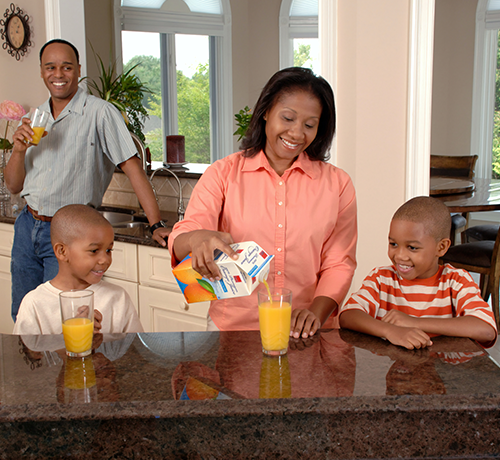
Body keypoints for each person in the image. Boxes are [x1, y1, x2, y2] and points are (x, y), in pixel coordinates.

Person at [168, 67, 357, 336]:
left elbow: (339, 262)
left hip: (305, 332)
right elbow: (184, 235)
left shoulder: (338, 185)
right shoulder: (223, 174)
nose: (296, 133)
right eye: (288, 118)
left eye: (309, 124)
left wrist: (314, 314)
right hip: (233, 330)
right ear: (266, 111)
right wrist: (197, 238)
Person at [5, 39, 169, 322]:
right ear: (42, 72)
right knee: (24, 315)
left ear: (78, 70)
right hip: (26, 226)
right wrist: (18, 150)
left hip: (69, 237)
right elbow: (14, 186)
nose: (58, 74)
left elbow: (133, 168)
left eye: (66, 67)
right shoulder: (35, 118)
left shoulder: (100, 113)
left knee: (63, 320)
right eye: (51, 67)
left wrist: (155, 224)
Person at [339, 196, 497, 350]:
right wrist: (391, 331)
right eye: (393, 244)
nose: (399, 255)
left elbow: (486, 330)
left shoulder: (456, 281)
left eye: (412, 247)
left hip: (445, 374)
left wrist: (414, 322)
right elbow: (348, 315)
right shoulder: (381, 278)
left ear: (441, 247)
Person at [13, 204, 143, 335]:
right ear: (62, 251)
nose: (105, 260)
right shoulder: (34, 304)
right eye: (94, 251)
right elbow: (27, 353)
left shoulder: (118, 298)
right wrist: (71, 337)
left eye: (108, 250)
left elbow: (138, 350)